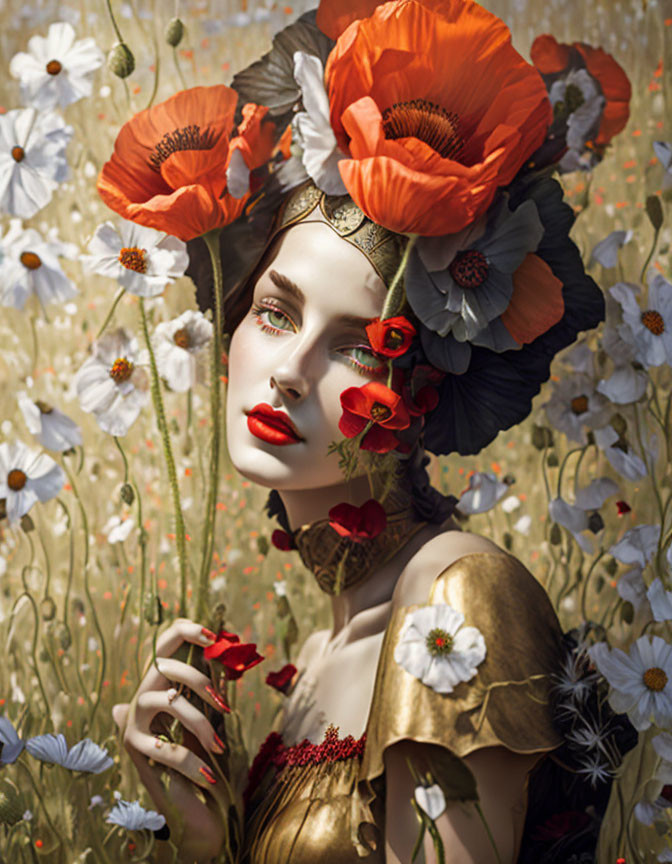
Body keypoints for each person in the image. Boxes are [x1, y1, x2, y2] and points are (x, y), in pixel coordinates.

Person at [106, 1, 634, 862]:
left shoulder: (456, 597)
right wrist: (207, 837)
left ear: (419, 393)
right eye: (275, 312)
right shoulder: (322, 649)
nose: (289, 370)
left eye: (358, 344)